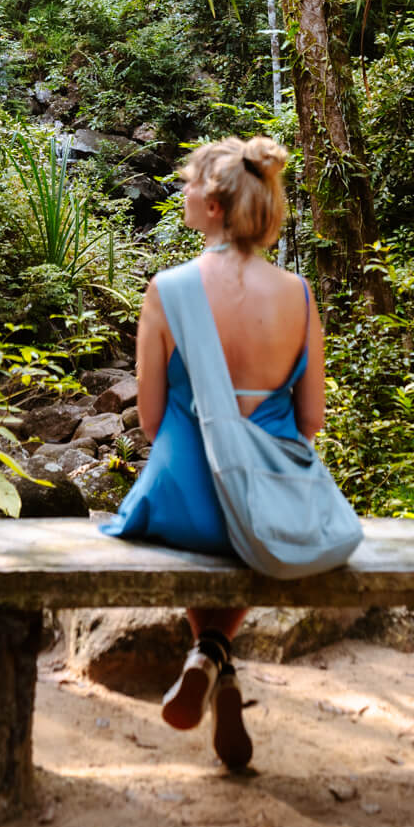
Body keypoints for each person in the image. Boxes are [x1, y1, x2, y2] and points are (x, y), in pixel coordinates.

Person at [101, 135, 324, 771]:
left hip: (184, 497)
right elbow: (309, 421)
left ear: (218, 206)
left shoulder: (167, 289)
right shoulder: (299, 294)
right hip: (267, 498)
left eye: (192, 184)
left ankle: (207, 656)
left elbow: (149, 421)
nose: (182, 192)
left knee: (202, 515)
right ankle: (216, 659)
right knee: (247, 520)